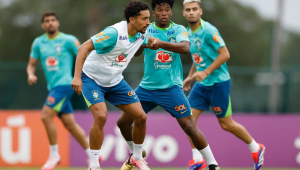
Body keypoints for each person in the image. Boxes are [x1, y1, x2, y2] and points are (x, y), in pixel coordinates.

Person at [117, 1, 220, 170]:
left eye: (167, 10)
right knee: (122, 122)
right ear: (154, 13)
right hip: (146, 89)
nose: (163, 13)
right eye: (159, 10)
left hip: (171, 89)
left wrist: (160, 43)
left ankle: (213, 165)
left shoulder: (178, 29)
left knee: (189, 126)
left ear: (171, 12)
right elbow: (135, 53)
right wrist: (142, 42)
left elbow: (186, 48)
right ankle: (135, 155)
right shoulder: (146, 28)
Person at [182, 0, 266, 170]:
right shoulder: (186, 34)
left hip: (218, 83)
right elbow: (198, 56)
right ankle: (197, 159)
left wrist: (205, 72)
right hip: (201, 84)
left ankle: (256, 148)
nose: (191, 12)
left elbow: (225, 54)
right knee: (187, 120)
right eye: (188, 9)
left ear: (200, 11)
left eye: (194, 9)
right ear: (183, 13)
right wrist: (190, 76)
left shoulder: (209, 31)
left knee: (226, 124)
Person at [70, 1, 154, 170]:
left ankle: (136, 158)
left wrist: (152, 44)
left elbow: (145, 44)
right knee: (101, 116)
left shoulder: (142, 34)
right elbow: (83, 48)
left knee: (141, 117)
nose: (148, 22)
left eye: (149, 18)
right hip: (91, 79)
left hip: (115, 81)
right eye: (144, 18)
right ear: (132, 19)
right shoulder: (113, 33)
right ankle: (94, 165)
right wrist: (77, 77)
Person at [26, 12, 102, 170]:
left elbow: (84, 55)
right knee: (70, 124)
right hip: (53, 88)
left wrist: (84, 78)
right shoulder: (38, 43)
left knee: (45, 115)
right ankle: (92, 154)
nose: (50, 23)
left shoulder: (68, 40)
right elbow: (31, 64)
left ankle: (54, 154)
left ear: (57, 23)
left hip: (66, 84)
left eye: (53, 20)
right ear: (43, 25)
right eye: (47, 21)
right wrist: (31, 74)